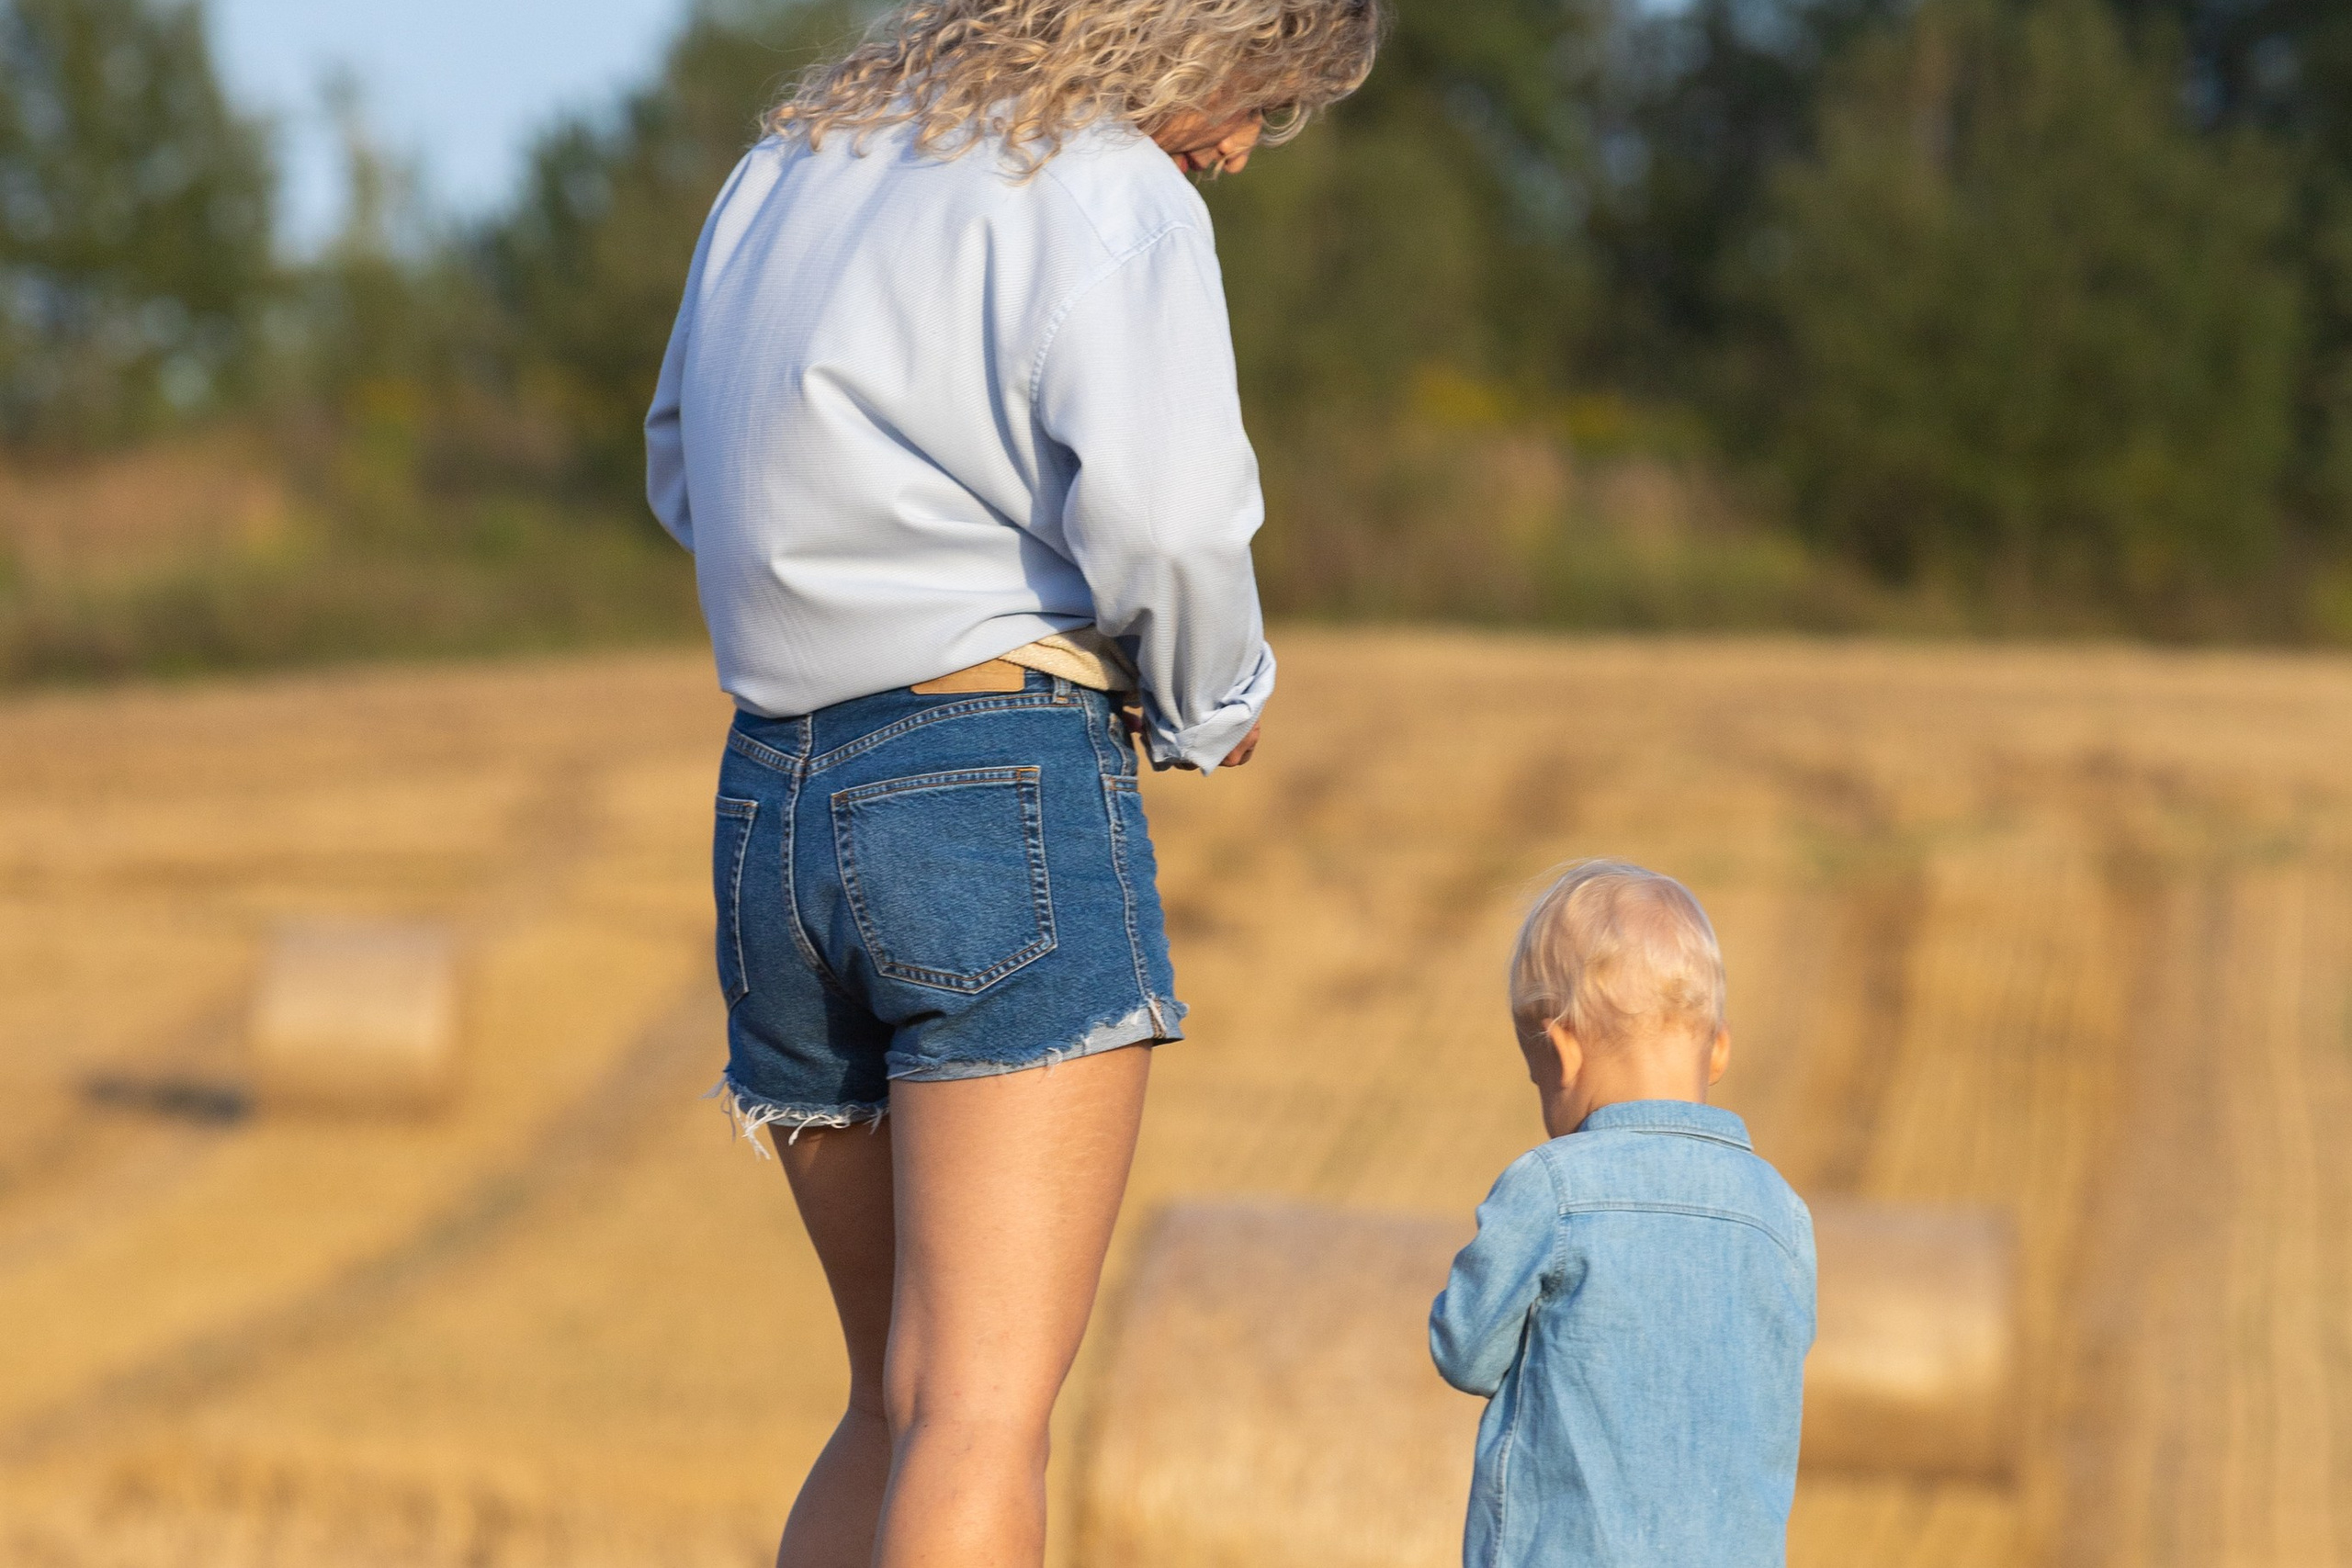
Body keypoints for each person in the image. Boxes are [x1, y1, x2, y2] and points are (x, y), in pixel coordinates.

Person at [642, 3, 1383, 1564]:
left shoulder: (791, 161)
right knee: (979, 1412)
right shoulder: (1109, 187)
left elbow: (679, 466)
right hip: (992, 776)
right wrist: (1214, 697)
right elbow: (1175, 523)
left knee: (886, 1404)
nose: (1247, 145)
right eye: (1261, 95)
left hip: (771, 798)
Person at [1429, 861, 1815, 1568]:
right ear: (1719, 1047)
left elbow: (1466, 1350)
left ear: (1565, 1052)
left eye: (1537, 1074)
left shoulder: (1555, 1187)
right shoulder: (1782, 1214)